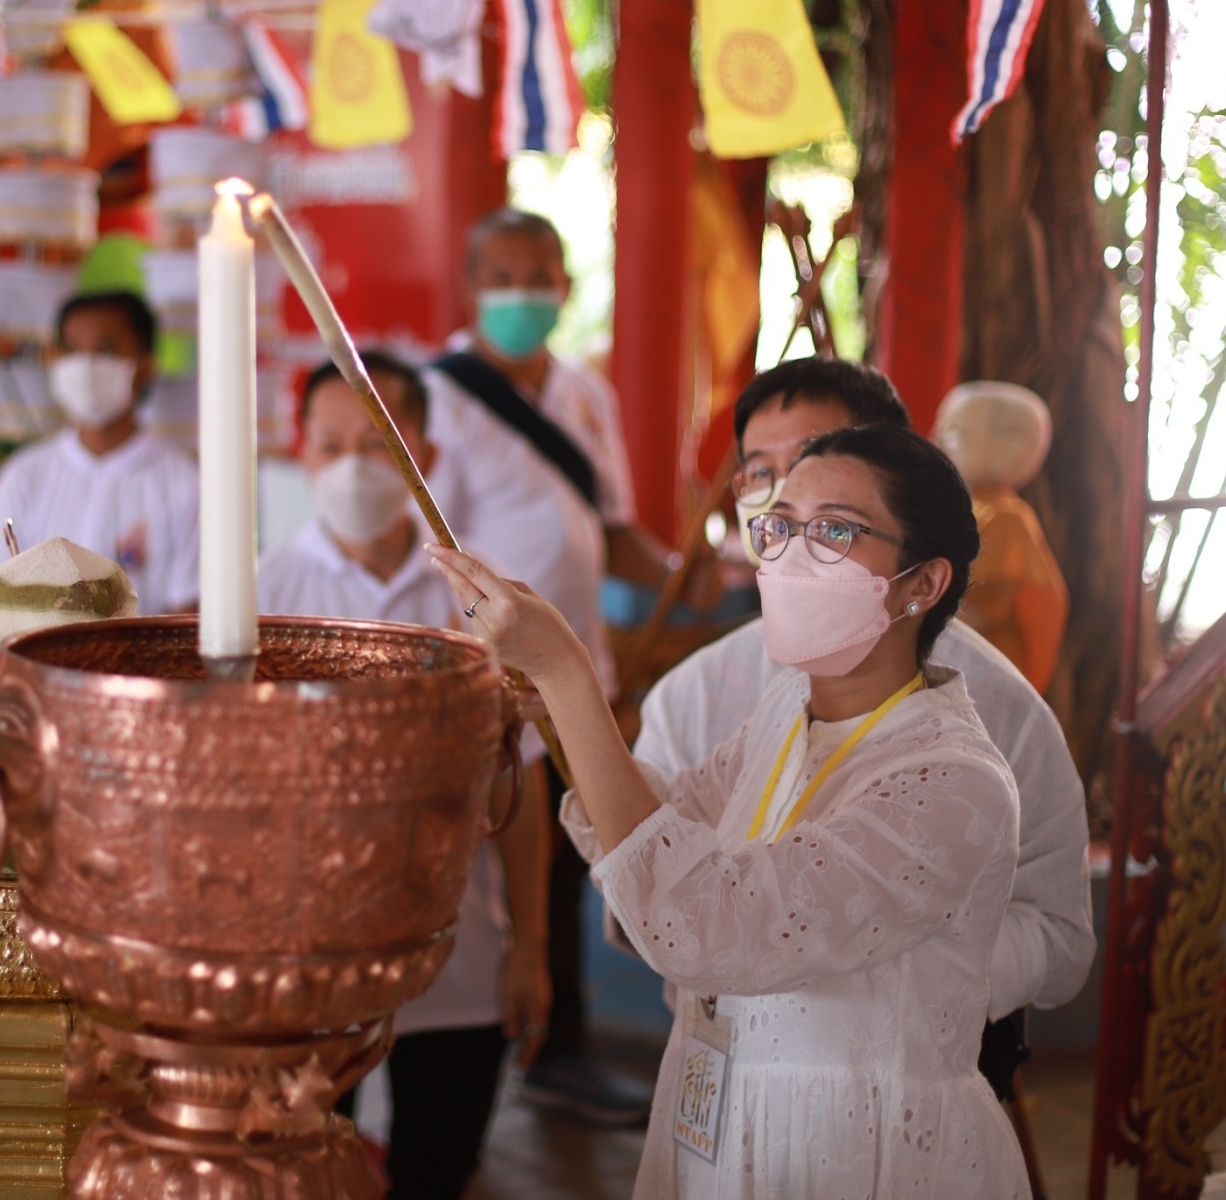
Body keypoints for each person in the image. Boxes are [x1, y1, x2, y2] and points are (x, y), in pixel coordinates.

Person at [430, 425, 1030, 1197]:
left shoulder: (951, 780)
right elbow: (663, 829)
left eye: (835, 530)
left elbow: (710, 922)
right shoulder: (784, 712)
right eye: (778, 526)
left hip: (864, 1152)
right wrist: (554, 698)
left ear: (922, 582)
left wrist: (571, 677)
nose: (788, 554)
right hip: (721, 1126)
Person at [637, 358, 1094, 1105]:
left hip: (890, 1095)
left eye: (819, 462)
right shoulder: (692, 694)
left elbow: (1061, 934)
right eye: (762, 474)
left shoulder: (994, 707)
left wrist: (906, 974)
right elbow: (642, 855)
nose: (788, 496)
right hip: (715, 1081)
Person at [260, 354, 551, 1200]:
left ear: (424, 448)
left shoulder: (483, 600)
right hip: (304, 961)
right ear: (302, 452)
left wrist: (529, 948)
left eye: (379, 442)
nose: (355, 464)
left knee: (440, 1168)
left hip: (458, 956)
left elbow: (518, 788)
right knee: (298, 1174)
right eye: (333, 442)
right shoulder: (263, 593)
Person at [424, 208, 670, 1123]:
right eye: (505, 274)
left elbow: (616, 532)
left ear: (566, 285)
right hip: (491, 670)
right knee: (499, 850)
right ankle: (487, 1042)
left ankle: (561, 1044)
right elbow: (431, 548)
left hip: (580, 669)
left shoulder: (584, 394)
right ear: (471, 285)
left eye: (541, 274)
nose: (524, 292)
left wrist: (723, 570)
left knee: (578, 847)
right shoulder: (440, 396)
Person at [0, 287, 198, 612]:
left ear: (144, 365)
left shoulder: (183, 484)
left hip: (135, 663)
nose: (85, 366)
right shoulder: (24, 476)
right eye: (71, 351)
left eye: (104, 351)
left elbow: (187, 616)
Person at [933, 381, 1069, 693]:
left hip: (978, 678)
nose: (937, 442)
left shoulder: (1004, 517)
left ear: (1009, 450)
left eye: (956, 434)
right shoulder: (964, 510)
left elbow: (984, 608)